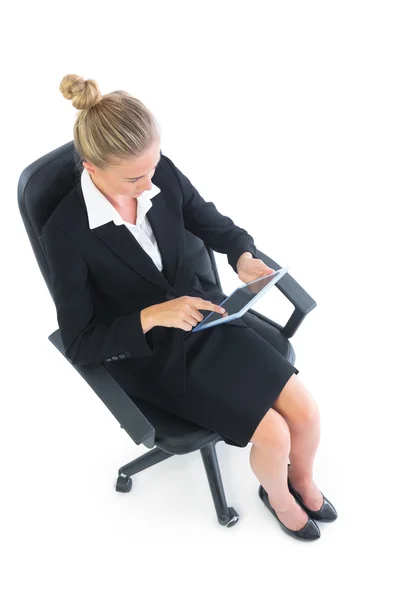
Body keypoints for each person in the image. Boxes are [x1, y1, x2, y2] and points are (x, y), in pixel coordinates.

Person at [42, 74, 337, 541]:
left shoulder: (160, 175)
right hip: (154, 354)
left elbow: (213, 223)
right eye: (134, 177)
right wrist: (152, 315)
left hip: (207, 317)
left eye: (153, 168)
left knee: (306, 413)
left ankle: (300, 481)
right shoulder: (66, 234)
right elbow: (80, 341)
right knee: (275, 434)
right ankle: (278, 498)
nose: (149, 184)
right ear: (93, 169)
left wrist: (240, 253)